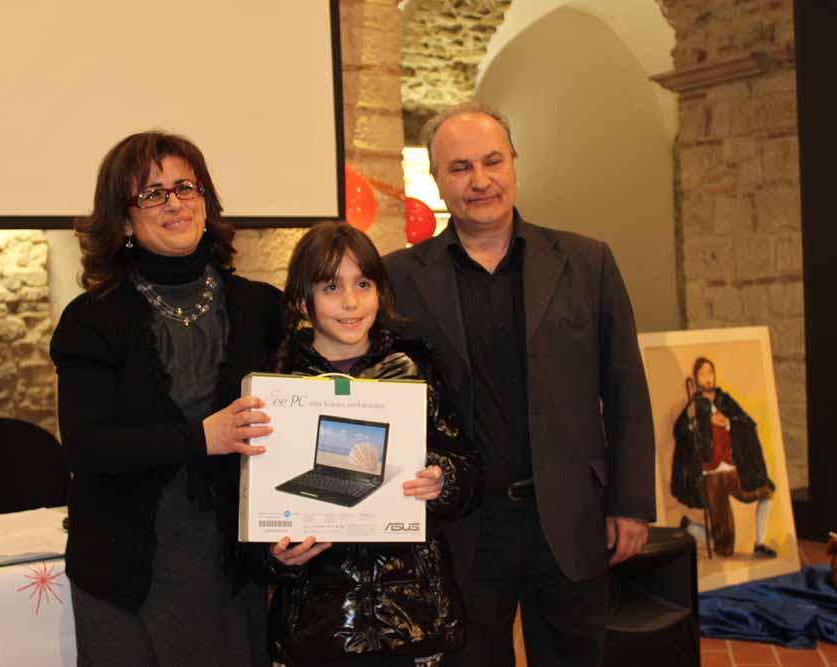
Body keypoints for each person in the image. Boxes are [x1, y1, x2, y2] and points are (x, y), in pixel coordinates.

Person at [382, 102, 656, 667]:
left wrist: (631, 504)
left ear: (513, 164)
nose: (480, 180)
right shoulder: (399, 277)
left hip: (570, 515)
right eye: (460, 168)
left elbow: (626, 391)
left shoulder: (587, 262)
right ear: (436, 179)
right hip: (462, 524)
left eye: (492, 161)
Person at [50, 131, 282, 667]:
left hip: (229, 566)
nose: (174, 203)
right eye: (152, 193)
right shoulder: (92, 319)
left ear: (205, 201)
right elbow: (86, 447)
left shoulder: (262, 308)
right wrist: (201, 438)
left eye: (185, 187)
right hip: (127, 570)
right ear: (125, 220)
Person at [266, 221, 482, 667]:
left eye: (363, 284)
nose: (350, 302)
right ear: (302, 301)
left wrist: (442, 477)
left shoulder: (414, 368)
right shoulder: (279, 379)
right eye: (331, 287)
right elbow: (253, 501)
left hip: (412, 616)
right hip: (318, 623)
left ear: (380, 293)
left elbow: (468, 469)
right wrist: (273, 553)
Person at [672, 357, 778, 558]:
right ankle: (690, 528)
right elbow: (680, 433)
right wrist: (691, 424)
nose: (708, 377)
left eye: (710, 372)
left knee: (766, 492)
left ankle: (760, 542)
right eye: (703, 373)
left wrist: (728, 423)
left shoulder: (725, 400)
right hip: (711, 477)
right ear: (696, 378)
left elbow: (747, 424)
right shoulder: (694, 406)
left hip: (733, 471)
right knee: (724, 547)